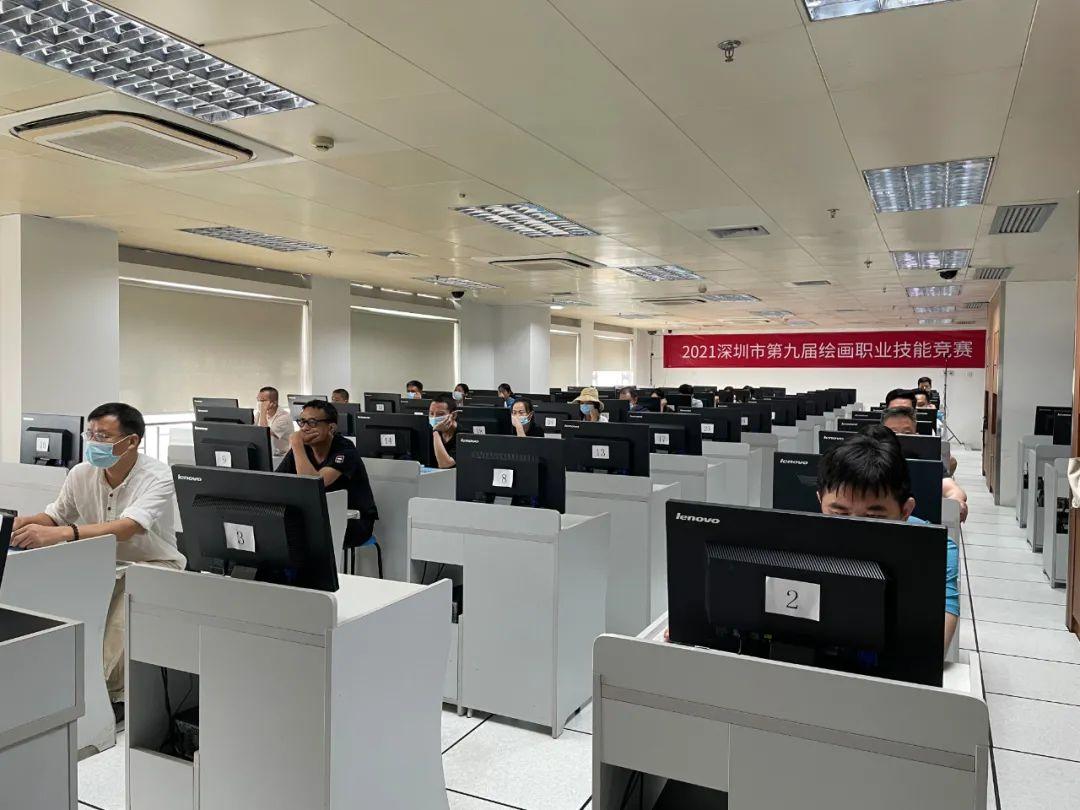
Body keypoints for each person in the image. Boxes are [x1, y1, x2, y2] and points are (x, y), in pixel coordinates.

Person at [11, 402, 186, 714]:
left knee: (115, 629)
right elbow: (56, 515)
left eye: (103, 436)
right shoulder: (81, 473)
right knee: (56, 612)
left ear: (131, 441)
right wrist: (23, 522)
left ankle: (105, 701)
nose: (93, 442)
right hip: (99, 563)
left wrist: (62, 534)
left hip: (154, 565)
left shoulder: (158, 476)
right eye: (89, 434)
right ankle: (61, 688)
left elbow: (128, 528)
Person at [817, 426, 959, 651]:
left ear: (905, 511)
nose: (855, 531)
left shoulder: (935, 551)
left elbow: (931, 649)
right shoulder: (798, 538)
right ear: (820, 501)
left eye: (873, 517)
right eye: (839, 513)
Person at [276, 400, 378, 548]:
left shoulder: (345, 450)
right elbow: (278, 481)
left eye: (312, 423)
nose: (304, 428)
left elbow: (313, 484)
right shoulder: (303, 449)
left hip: (354, 520)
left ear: (331, 427)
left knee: (298, 536)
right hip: (318, 516)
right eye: (302, 422)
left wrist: (297, 444)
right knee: (278, 529)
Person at [880, 408, 969, 522]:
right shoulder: (869, 460)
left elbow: (952, 489)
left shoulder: (926, 462)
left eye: (907, 433)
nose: (900, 437)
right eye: (893, 433)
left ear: (916, 435)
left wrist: (957, 500)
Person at [255, 386, 294, 455]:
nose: (259, 403)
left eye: (262, 401)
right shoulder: (259, 413)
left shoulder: (284, 417)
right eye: (258, 400)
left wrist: (263, 411)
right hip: (268, 452)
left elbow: (264, 433)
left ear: (274, 403)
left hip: (282, 455)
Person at [429, 394, 459, 468]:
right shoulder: (426, 429)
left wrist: (435, 432)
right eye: (431, 413)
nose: (434, 418)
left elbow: (444, 464)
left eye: (440, 414)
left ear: (454, 415)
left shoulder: (463, 435)